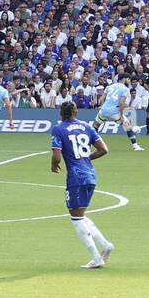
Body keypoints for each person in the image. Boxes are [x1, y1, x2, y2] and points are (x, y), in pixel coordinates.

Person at [50, 100, 114, 270]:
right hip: (90, 174)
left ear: (61, 114)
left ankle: (96, 257)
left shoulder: (59, 129)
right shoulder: (87, 126)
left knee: (76, 218)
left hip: (76, 177)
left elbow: (57, 155)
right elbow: (104, 149)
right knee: (81, 214)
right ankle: (105, 245)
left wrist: (53, 165)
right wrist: (86, 159)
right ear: (75, 112)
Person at [94, 75, 143, 152]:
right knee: (128, 126)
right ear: (124, 79)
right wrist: (121, 116)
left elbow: (101, 99)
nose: (129, 81)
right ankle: (135, 146)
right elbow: (121, 103)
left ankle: (89, 145)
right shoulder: (125, 89)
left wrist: (102, 106)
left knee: (95, 126)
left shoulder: (109, 86)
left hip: (104, 110)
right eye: (128, 79)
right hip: (114, 111)